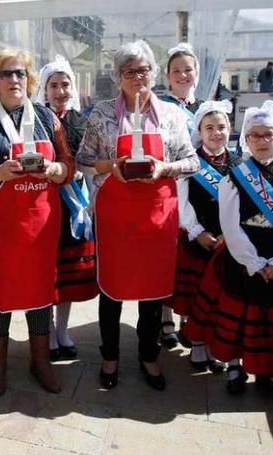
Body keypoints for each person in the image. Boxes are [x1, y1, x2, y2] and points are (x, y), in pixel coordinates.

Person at [76, 40, 199, 391]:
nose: (137, 78)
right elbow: (83, 159)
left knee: (152, 291)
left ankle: (149, 356)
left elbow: (193, 162)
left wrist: (165, 168)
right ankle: (110, 357)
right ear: (118, 77)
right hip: (114, 215)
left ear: (153, 73)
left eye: (143, 70)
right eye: (129, 72)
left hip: (156, 216)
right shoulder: (101, 114)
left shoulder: (173, 116)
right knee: (111, 290)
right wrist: (110, 167)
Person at [0, 49, 74, 396]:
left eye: (20, 74)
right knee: (1, 294)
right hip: (2, 226)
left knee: (40, 292)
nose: (14, 80)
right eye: (6, 74)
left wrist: (56, 170)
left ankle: (40, 362)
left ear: (29, 79)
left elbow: (67, 162)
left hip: (42, 222)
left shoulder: (46, 117)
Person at [186, 101, 273, 402]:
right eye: (255, 135)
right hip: (243, 262)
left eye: (267, 134)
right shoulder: (235, 177)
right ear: (245, 139)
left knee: (272, 321)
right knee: (240, 319)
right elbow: (230, 225)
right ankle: (235, 368)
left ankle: (271, 375)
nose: (261, 141)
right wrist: (254, 262)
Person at [33, 55, 96, 362]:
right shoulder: (35, 119)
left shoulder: (83, 122)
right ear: (44, 90)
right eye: (53, 85)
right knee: (45, 269)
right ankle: (46, 329)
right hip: (44, 203)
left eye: (65, 84)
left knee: (68, 271)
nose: (60, 91)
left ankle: (62, 330)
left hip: (74, 205)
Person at [172, 100, 240, 373]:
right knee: (196, 297)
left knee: (219, 298)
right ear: (198, 131)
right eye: (209, 128)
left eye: (222, 127)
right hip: (196, 241)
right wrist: (197, 231)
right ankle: (198, 345)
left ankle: (214, 345)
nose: (216, 133)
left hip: (228, 245)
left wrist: (229, 235)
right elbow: (181, 202)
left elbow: (242, 205)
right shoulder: (190, 162)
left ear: (230, 130)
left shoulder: (238, 163)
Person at [159, 42, 201, 349]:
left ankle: (191, 318)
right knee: (169, 258)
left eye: (188, 69)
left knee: (193, 259)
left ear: (196, 73)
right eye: (177, 71)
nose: (182, 75)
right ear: (167, 76)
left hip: (200, 193)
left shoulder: (207, 108)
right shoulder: (160, 108)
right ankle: (165, 320)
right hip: (172, 191)